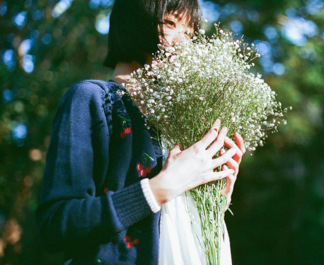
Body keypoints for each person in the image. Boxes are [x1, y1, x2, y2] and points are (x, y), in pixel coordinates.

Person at [36, 0, 246, 264]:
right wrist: (161, 187)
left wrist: (215, 197)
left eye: (190, 34)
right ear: (134, 19)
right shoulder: (92, 99)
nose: (183, 43)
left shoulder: (182, 121)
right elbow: (55, 226)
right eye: (170, 23)